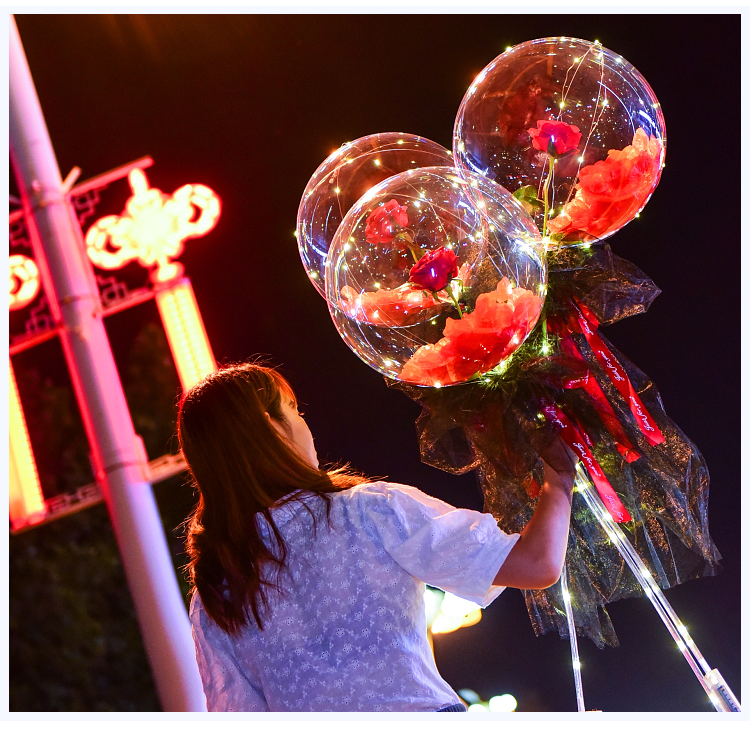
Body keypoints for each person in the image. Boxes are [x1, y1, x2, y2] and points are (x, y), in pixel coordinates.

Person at [179, 362, 577, 712]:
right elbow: (537, 562)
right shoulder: (370, 511)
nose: (305, 424)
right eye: (294, 410)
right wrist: (559, 477)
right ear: (272, 427)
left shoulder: (216, 593)